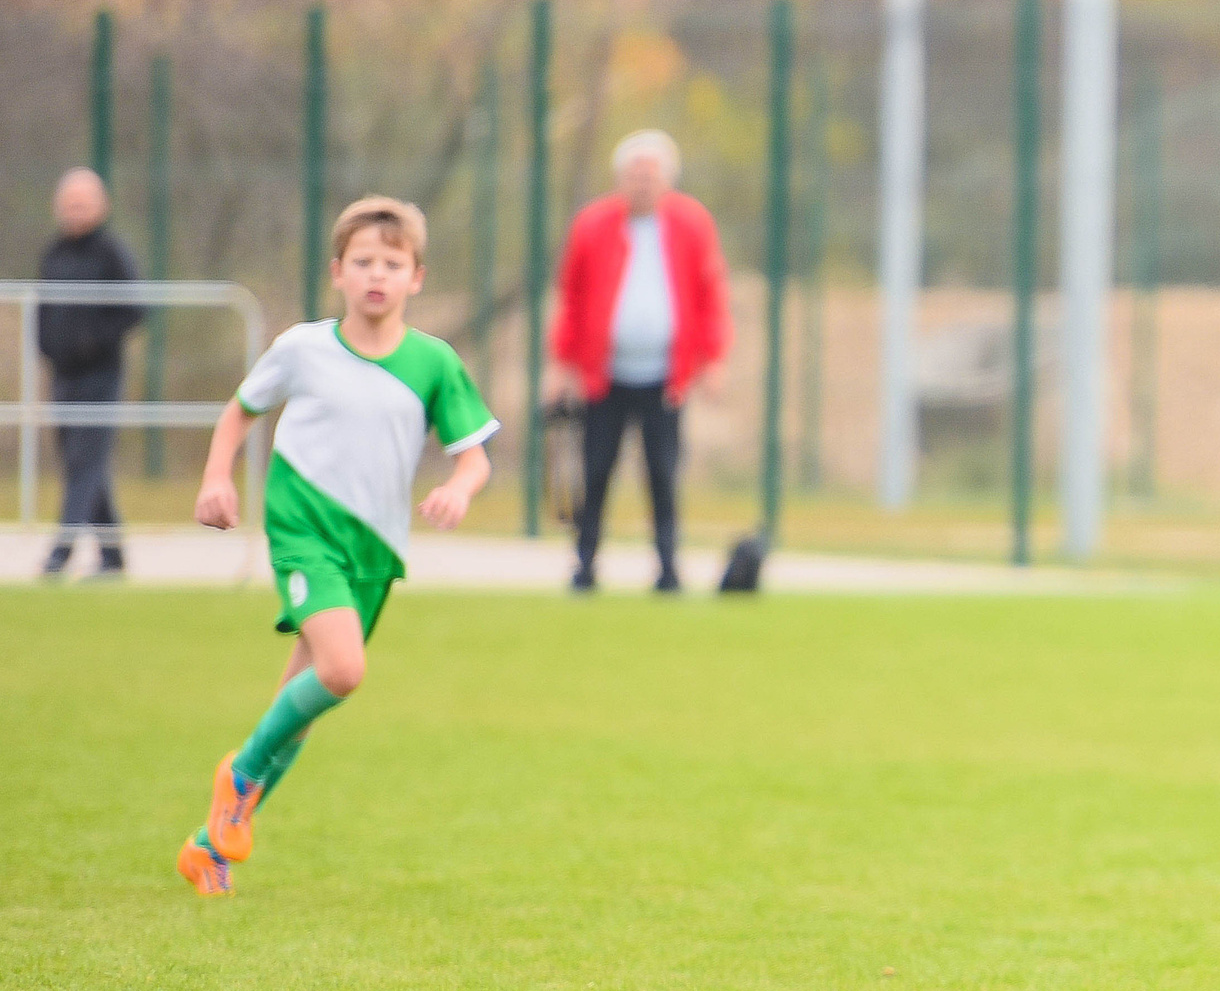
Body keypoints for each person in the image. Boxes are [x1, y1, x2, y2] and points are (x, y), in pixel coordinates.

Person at [177, 196, 497, 896]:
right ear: (338, 272)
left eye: (393, 263)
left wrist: (459, 488)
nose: (377, 274)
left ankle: (208, 847)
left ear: (417, 277)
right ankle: (238, 777)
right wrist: (216, 478)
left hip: (374, 550)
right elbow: (240, 412)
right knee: (344, 670)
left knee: (297, 709)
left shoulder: (433, 362)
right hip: (305, 530)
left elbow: (474, 457)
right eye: (363, 261)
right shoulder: (303, 348)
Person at [549, 129, 730, 593]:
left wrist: (712, 361)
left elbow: (710, 295)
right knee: (595, 471)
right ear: (619, 178)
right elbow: (572, 298)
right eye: (635, 174)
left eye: (652, 174)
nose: (643, 182)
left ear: (668, 179)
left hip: (665, 377)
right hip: (604, 376)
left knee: (662, 473)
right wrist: (563, 365)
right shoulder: (593, 225)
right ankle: (585, 565)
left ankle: (667, 568)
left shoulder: (691, 224)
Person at [36, 167, 142, 579]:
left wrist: (94, 341)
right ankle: (113, 555)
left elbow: (135, 309)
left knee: (85, 460)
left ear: (101, 207)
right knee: (79, 463)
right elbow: (42, 308)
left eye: (83, 204)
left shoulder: (112, 253)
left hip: (101, 375)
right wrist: (47, 346)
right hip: (62, 374)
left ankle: (60, 552)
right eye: (70, 204)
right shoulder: (54, 253)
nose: (75, 211)